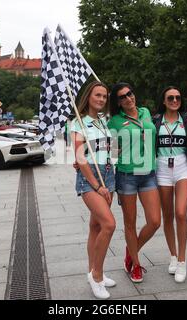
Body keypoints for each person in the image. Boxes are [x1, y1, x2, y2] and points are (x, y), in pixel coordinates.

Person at [107, 83, 161, 283]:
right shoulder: (114, 122)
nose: (128, 98)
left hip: (147, 172)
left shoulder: (146, 112)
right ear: (118, 103)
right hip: (127, 175)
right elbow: (112, 152)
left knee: (155, 221)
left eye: (130, 94)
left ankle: (131, 251)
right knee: (130, 223)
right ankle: (136, 266)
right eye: (122, 97)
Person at [71, 81, 116, 299]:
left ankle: (94, 270)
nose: (101, 99)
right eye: (97, 95)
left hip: (108, 174)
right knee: (109, 224)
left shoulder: (104, 121)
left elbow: (107, 149)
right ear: (89, 96)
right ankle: (96, 276)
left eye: (104, 97)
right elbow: (80, 158)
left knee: (96, 227)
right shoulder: (78, 122)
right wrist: (97, 186)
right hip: (90, 179)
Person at [152, 86, 187, 282]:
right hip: (162, 168)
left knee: (181, 213)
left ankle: (183, 261)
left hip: (182, 167)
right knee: (167, 215)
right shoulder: (155, 120)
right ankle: (173, 256)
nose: (175, 100)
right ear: (164, 100)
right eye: (170, 98)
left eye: (177, 97)